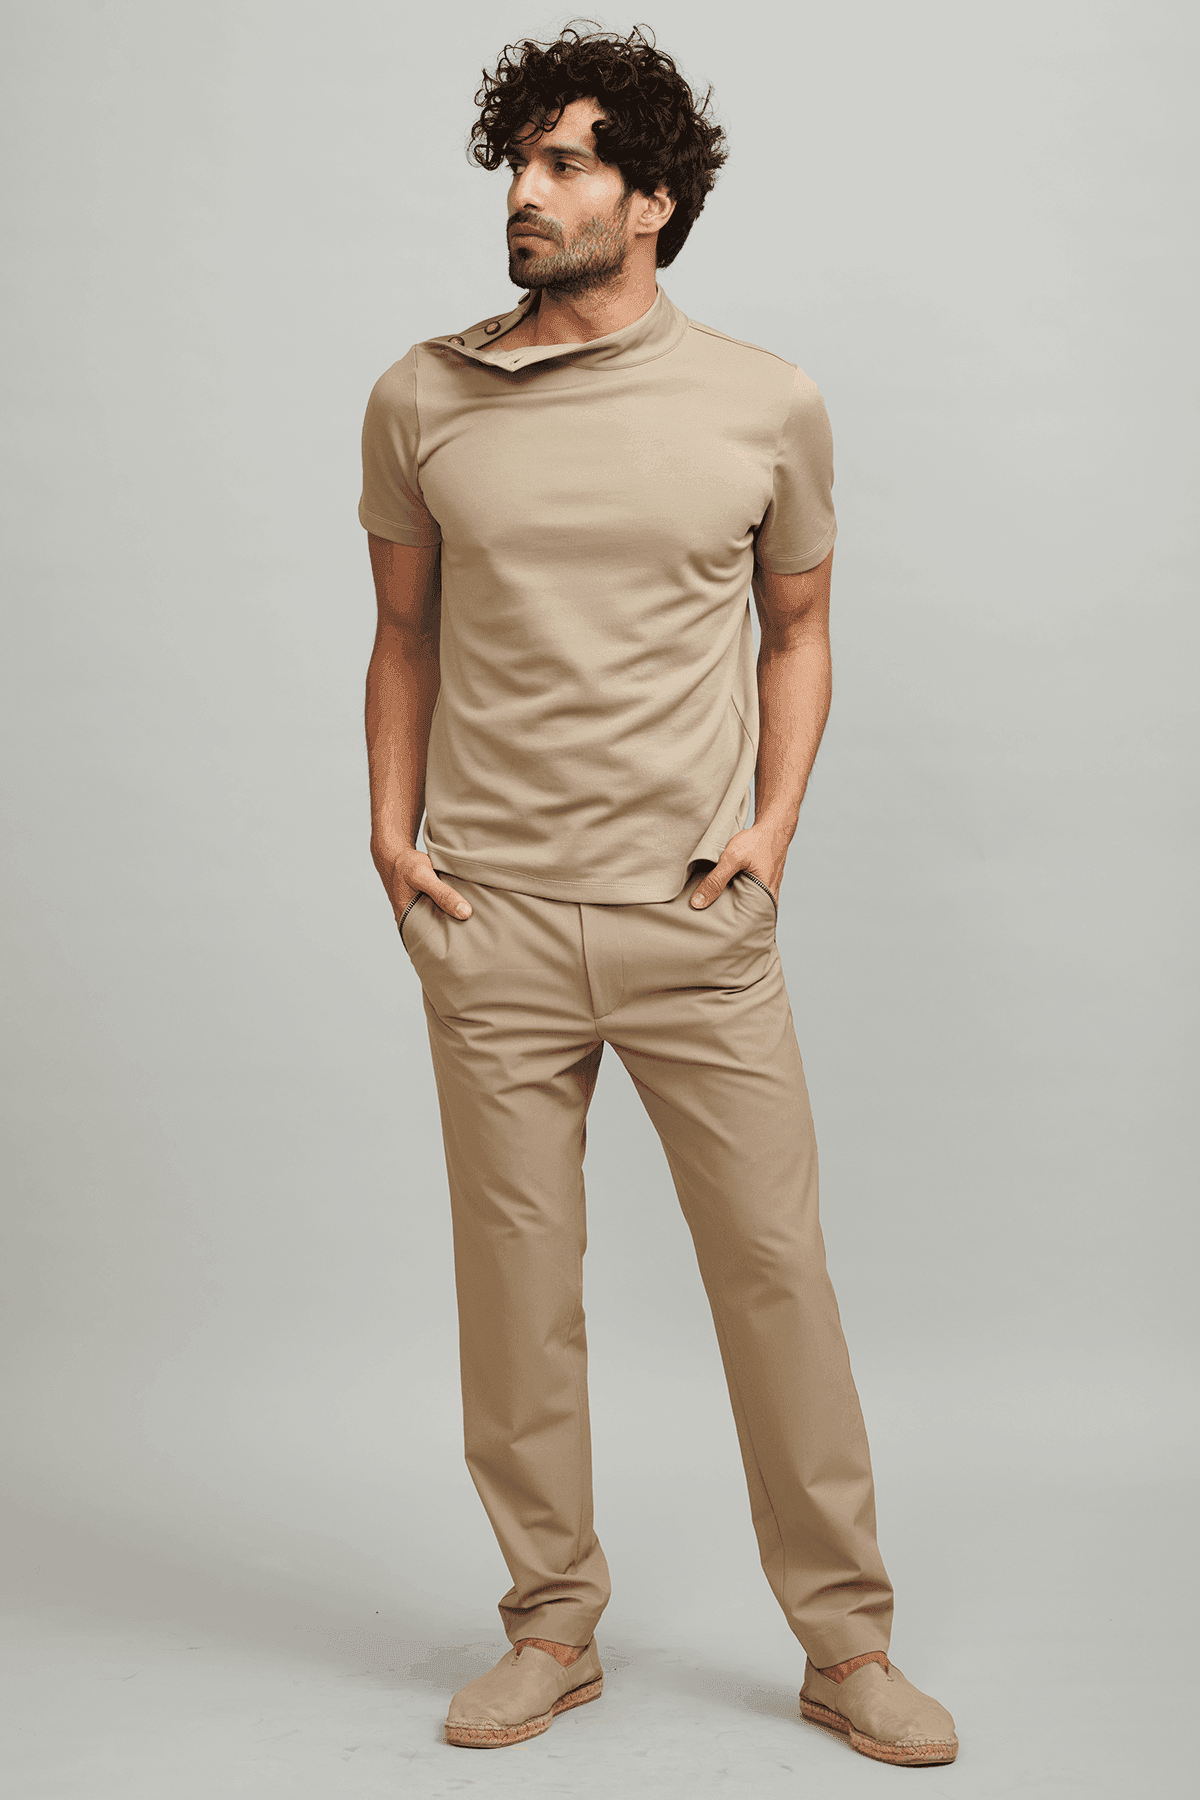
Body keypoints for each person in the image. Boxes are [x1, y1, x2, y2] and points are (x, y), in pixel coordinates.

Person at [360, 23, 957, 1768]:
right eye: (518, 162)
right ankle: (552, 1628)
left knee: (776, 1276)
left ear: (653, 201)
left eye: (565, 164)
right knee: (515, 1298)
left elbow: (800, 631)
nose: (526, 193)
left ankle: (846, 1647)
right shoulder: (421, 396)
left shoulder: (765, 402)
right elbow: (401, 633)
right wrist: (391, 837)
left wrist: (771, 831)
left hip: (693, 923)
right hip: (492, 919)